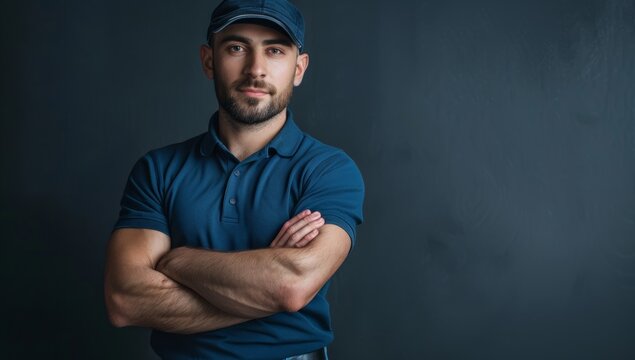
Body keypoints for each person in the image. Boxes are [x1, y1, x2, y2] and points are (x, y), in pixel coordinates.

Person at [104, 0, 364, 358]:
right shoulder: (158, 169)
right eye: (237, 48)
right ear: (209, 60)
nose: (255, 69)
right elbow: (125, 300)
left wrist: (178, 261)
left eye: (275, 50)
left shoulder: (328, 169)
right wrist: (264, 287)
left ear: (299, 68)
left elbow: (291, 285)